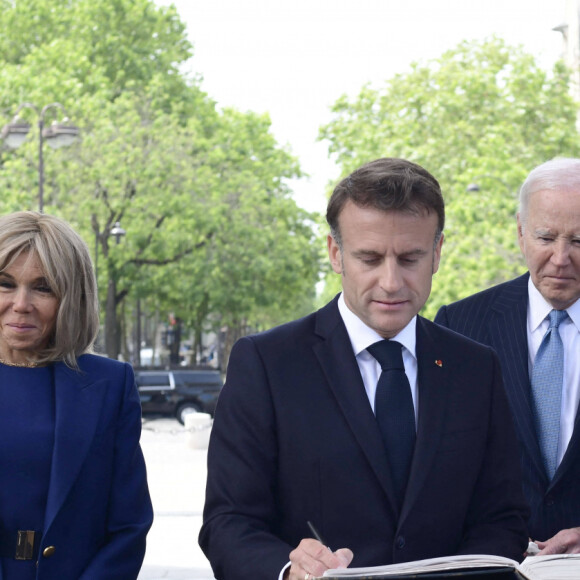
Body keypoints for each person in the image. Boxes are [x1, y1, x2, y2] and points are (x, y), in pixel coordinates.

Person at [199, 158, 529, 580]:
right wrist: (288, 570)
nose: (391, 282)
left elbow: (502, 517)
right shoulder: (266, 364)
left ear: (438, 252)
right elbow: (228, 522)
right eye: (370, 259)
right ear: (336, 253)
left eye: (410, 258)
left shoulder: (476, 367)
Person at [435, 157, 580, 556]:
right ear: (520, 233)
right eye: (546, 237)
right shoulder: (458, 324)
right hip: (489, 564)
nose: (561, 257)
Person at [0, 211, 152, 579]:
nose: (21, 303)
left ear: (72, 297)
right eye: (5, 283)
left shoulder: (110, 386)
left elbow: (128, 526)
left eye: (43, 287)